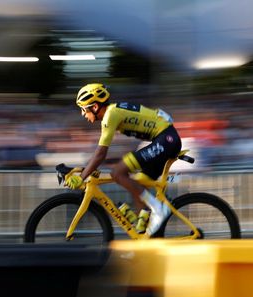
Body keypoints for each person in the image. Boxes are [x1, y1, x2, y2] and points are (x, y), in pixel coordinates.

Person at [66, 83, 181, 235]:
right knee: (138, 184)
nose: (82, 114)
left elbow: (101, 153)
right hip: (165, 139)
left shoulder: (110, 115)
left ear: (94, 107)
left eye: (83, 109)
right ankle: (144, 231)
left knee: (117, 173)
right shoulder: (113, 112)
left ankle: (158, 208)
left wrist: (82, 177)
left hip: (167, 139)